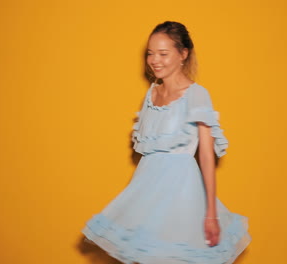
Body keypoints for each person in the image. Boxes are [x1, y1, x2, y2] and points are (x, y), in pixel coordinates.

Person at [81, 21, 251, 264]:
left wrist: (211, 214)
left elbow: (205, 156)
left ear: (183, 54)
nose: (154, 60)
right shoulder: (151, 94)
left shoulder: (197, 94)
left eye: (163, 54)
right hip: (147, 193)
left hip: (182, 194)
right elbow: (148, 155)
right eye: (150, 53)